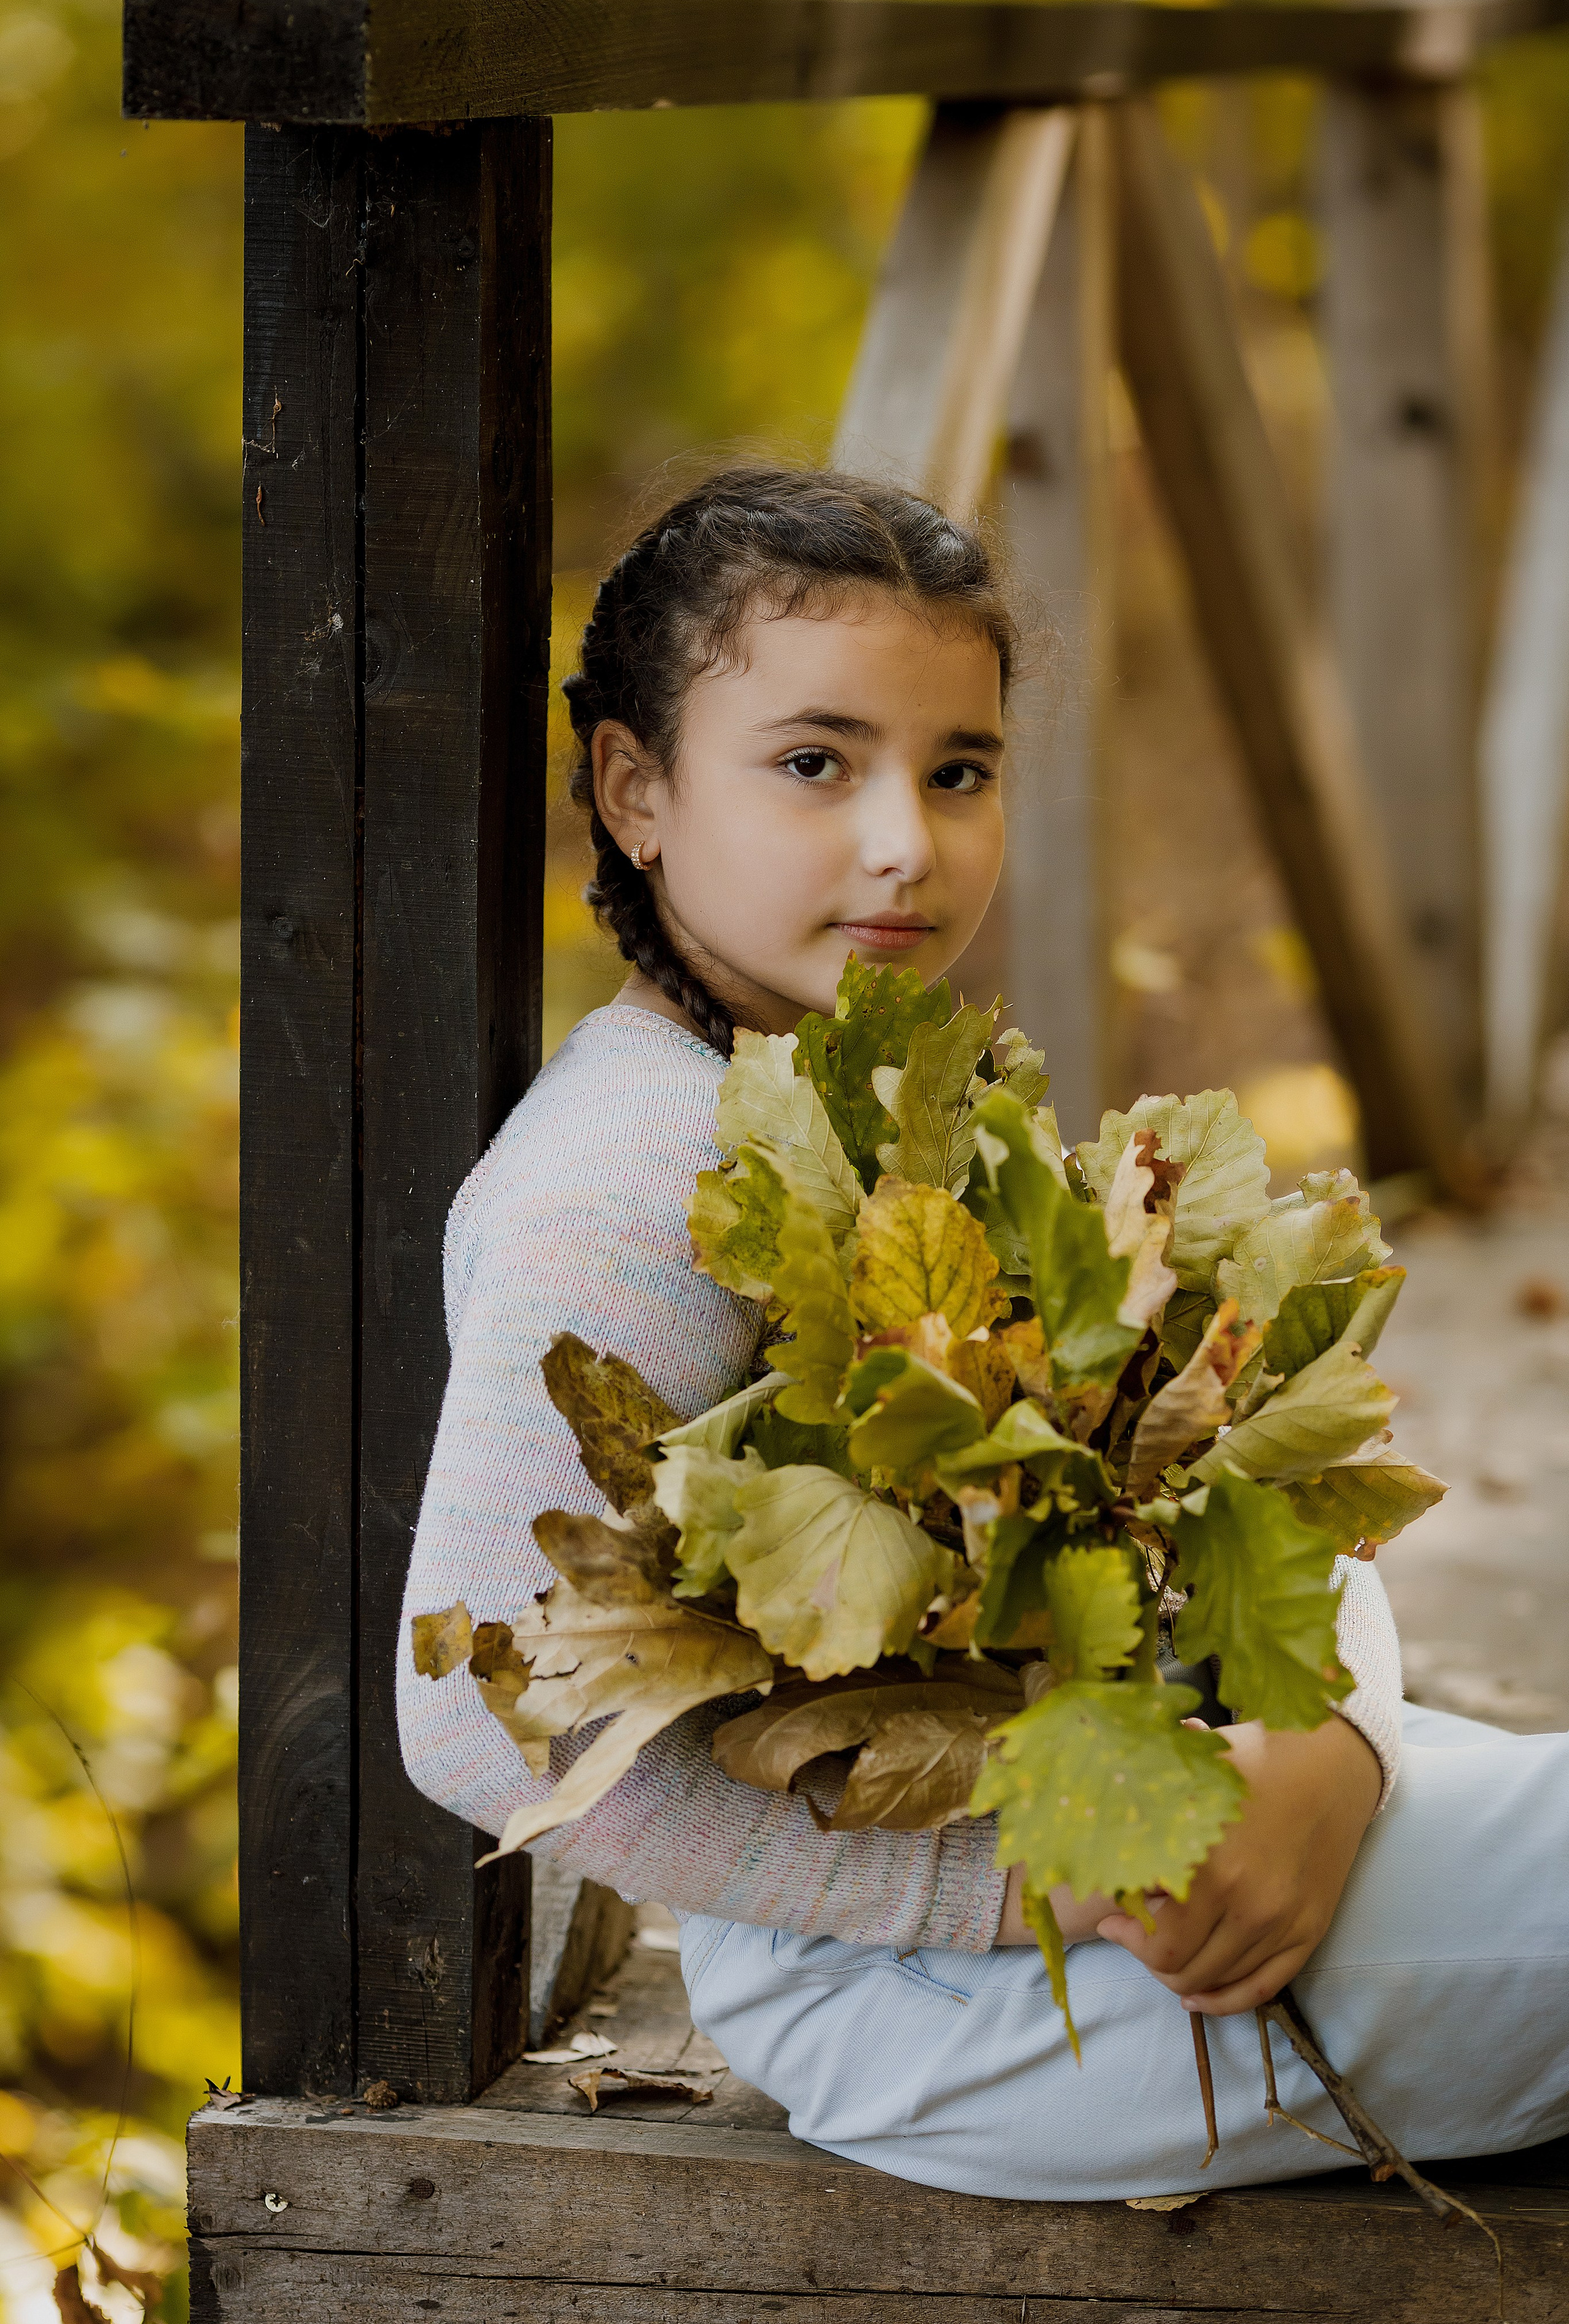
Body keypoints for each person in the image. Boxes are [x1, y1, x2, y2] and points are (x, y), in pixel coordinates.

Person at [397, 464, 1569, 2198]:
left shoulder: (881, 1097)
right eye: (816, 764)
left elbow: (1236, 1471)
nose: (907, 841)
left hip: (1171, 1801)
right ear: (634, 789)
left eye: (959, 771)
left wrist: (1332, 1733)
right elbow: (479, 1727)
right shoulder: (631, 1189)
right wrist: (1062, 1877)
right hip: (963, 1984)